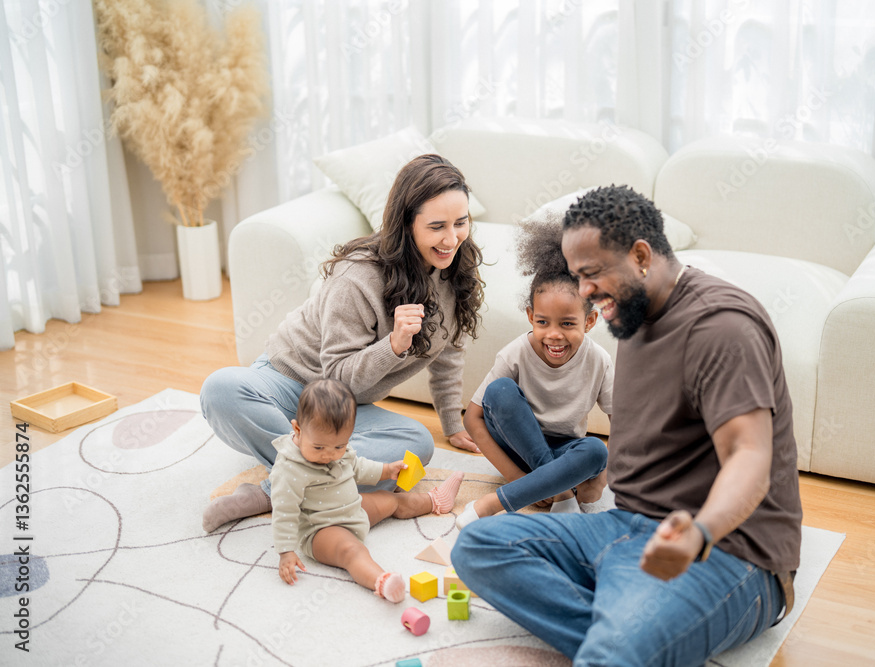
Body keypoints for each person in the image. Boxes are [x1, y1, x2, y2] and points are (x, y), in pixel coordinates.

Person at [452, 185, 802, 666]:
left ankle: (624, 641)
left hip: (729, 553)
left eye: (591, 274)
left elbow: (750, 454)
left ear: (640, 256)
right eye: (578, 277)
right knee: (478, 546)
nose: (585, 293)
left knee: (613, 651)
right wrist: (604, 474)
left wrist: (700, 532)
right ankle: (630, 636)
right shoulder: (633, 316)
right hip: (626, 529)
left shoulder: (721, 327)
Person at [200, 154, 485, 533]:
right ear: (407, 224)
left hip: (346, 407)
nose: (452, 239)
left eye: (461, 222)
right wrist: (393, 345)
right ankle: (318, 483)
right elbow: (335, 376)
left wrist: (451, 423)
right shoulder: (358, 276)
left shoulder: (456, 266)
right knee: (220, 389)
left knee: (416, 445)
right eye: (437, 227)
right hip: (287, 385)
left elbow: (448, 350)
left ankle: (276, 488)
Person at [457, 217, 613, 529]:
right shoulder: (515, 353)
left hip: (566, 454)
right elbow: (472, 419)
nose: (554, 334)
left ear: (590, 321)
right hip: (517, 449)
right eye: (543, 322)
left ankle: (520, 494)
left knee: (597, 450)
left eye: (567, 323)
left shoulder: (598, 360)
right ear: (530, 316)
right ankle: (554, 492)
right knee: (499, 390)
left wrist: (601, 479)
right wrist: (517, 478)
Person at [270, 379, 463, 602]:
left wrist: (387, 470)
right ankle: (382, 581)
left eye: (339, 446)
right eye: (319, 447)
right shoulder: (289, 468)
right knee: (352, 550)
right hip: (321, 530)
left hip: (353, 511)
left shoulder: (336, 448)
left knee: (390, 498)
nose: (329, 455)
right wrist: (285, 551)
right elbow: (284, 511)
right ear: (298, 429)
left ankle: (435, 500)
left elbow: (357, 467)